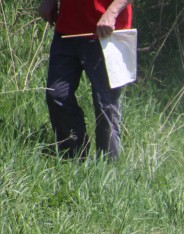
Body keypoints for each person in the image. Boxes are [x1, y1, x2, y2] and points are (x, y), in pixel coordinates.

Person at [38, 0, 134, 160]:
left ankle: (108, 170)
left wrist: (111, 13)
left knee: (105, 104)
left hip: (108, 31)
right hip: (67, 28)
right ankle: (74, 158)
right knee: (57, 95)